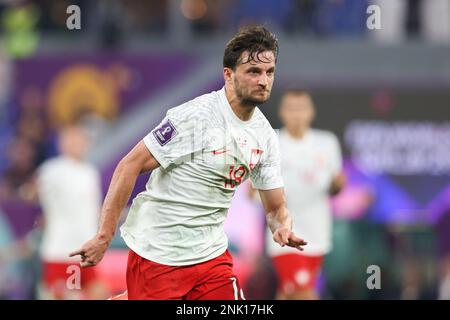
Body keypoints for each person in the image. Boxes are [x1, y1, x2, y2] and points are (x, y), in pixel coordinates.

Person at [70, 26, 307, 300]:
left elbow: (276, 208)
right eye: (254, 71)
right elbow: (128, 165)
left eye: (270, 72)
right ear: (228, 76)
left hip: (211, 257)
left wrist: (281, 227)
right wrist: (104, 237)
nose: (264, 80)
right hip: (159, 253)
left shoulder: (265, 136)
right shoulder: (195, 117)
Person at [266, 89, 345, 300]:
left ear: (311, 112)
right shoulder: (271, 142)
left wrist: (338, 185)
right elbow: (254, 192)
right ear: (282, 112)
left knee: (288, 292)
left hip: (317, 234)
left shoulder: (327, 143)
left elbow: (334, 189)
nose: (297, 114)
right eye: (291, 109)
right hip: (284, 233)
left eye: (301, 108)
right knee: (303, 292)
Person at [36, 126, 109, 299]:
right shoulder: (52, 170)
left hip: (86, 249)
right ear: (62, 143)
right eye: (72, 140)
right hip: (64, 251)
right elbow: (33, 190)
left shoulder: (90, 172)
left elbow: (92, 207)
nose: (77, 144)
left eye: (81, 140)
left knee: (99, 293)